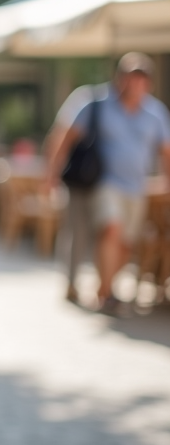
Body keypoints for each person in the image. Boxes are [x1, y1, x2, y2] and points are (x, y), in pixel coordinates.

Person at [47, 52, 170, 316]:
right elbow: (64, 137)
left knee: (125, 242)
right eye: (130, 78)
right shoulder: (94, 102)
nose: (134, 84)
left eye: (141, 79)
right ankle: (104, 293)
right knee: (108, 230)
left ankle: (106, 286)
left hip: (137, 188)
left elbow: (165, 151)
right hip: (101, 183)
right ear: (120, 78)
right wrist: (51, 176)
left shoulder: (156, 113)